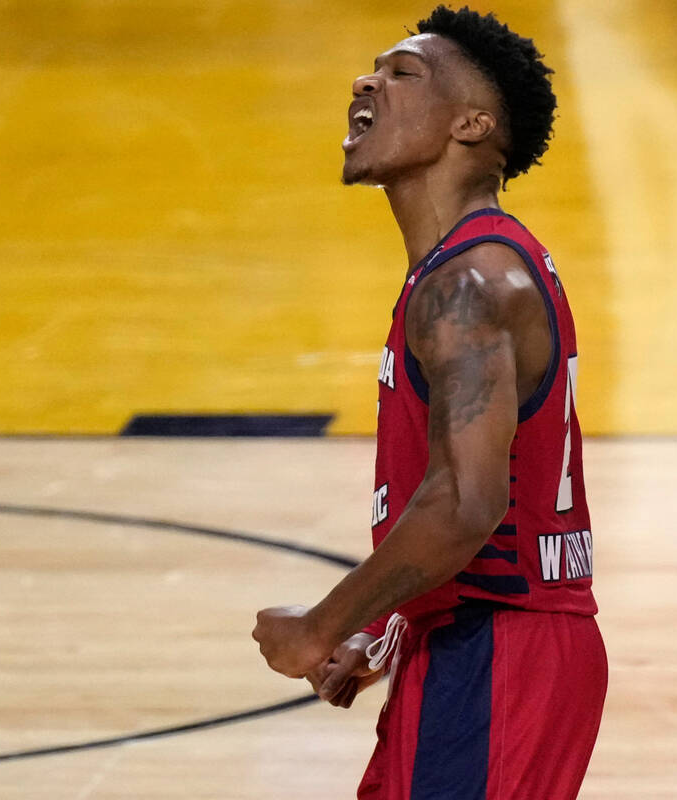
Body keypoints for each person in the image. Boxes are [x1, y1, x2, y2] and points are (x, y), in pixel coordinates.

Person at [252, 6, 607, 798]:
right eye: (373, 68)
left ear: (473, 124)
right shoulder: (472, 268)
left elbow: (465, 503)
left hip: (495, 653)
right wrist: (384, 627)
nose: (366, 81)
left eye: (404, 73)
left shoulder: (466, 286)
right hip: (473, 645)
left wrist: (321, 626)